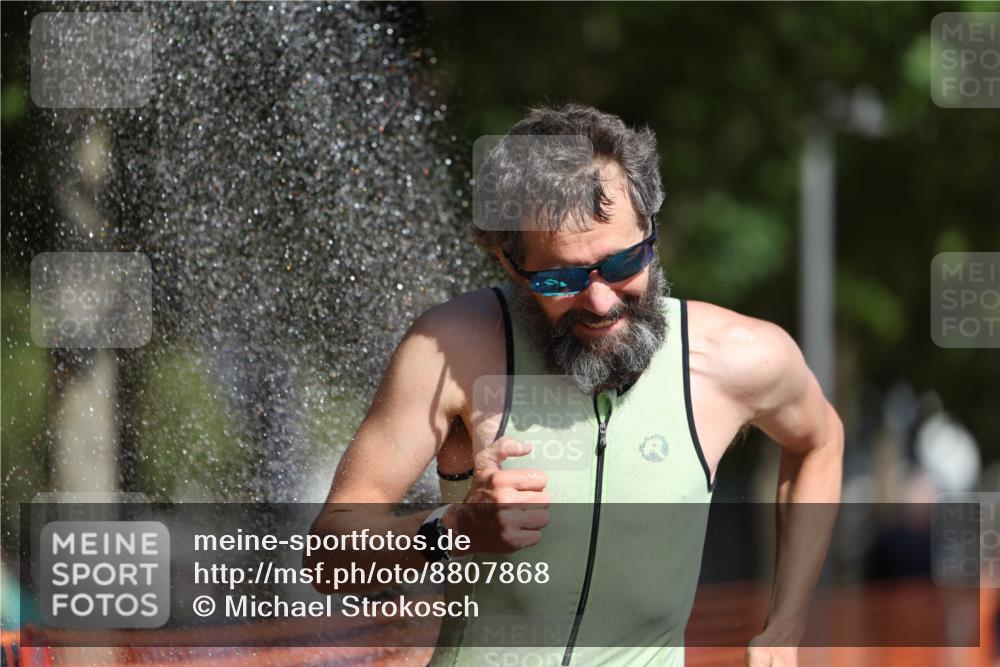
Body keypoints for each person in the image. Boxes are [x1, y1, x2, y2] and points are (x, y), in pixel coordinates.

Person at [307, 104, 844, 667]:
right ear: (507, 263)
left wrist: (786, 626)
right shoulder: (452, 349)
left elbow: (820, 441)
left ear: (652, 233)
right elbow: (327, 551)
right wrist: (453, 529)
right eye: (561, 278)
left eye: (623, 263)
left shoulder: (738, 357)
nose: (600, 300)